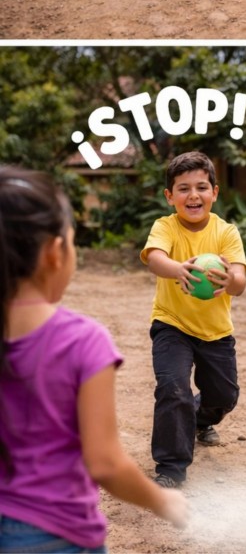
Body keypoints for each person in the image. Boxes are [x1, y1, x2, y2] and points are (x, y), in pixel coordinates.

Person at [0, 167, 187, 552]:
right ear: (55, 253)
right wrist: (163, 501)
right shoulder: (83, 341)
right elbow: (104, 463)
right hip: (54, 536)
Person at [140, 151, 246, 488]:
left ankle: (201, 419)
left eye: (201, 187)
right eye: (183, 188)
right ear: (169, 196)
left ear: (215, 192)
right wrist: (179, 269)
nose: (193, 195)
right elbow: (155, 259)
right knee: (174, 389)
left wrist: (230, 280)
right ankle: (171, 466)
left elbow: (241, 281)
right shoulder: (165, 227)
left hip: (216, 332)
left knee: (224, 396)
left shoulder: (226, 233)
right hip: (171, 324)